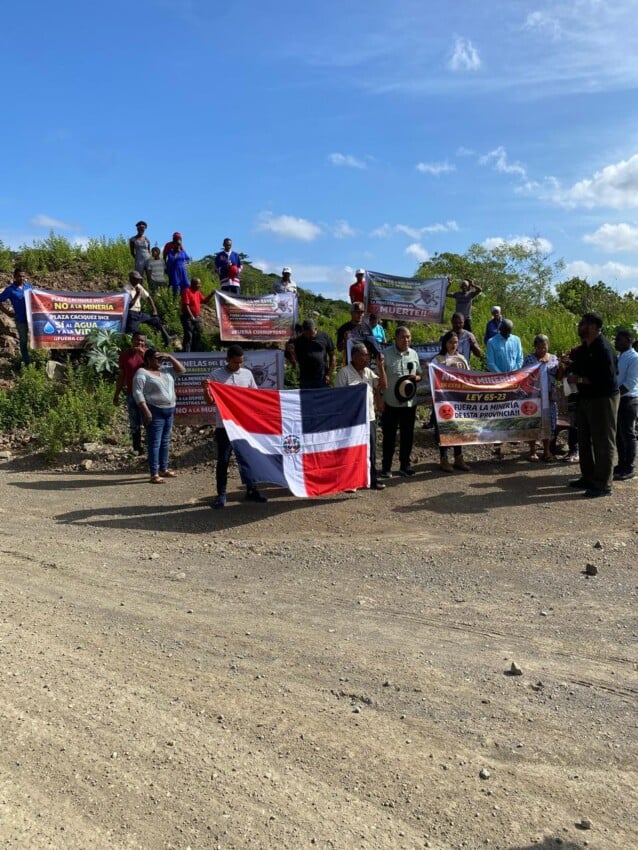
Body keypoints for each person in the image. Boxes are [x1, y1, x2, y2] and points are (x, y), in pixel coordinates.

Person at [203, 344, 267, 507]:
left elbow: (255, 395)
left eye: (241, 362)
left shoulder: (247, 374)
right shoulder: (216, 375)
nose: (239, 366)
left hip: (244, 426)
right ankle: (221, 494)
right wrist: (205, 389)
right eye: (236, 362)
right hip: (224, 426)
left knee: (249, 458)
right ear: (228, 360)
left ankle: (252, 490)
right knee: (223, 460)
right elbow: (210, 401)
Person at [563, 312, 619, 498]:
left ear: (593, 326)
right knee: (584, 439)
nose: (579, 326)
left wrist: (578, 378)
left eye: (583, 323)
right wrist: (568, 363)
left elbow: (606, 379)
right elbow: (576, 364)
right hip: (586, 399)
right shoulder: (586, 348)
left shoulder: (603, 349)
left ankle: (603, 484)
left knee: (603, 441)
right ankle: (588, 477)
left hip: (603, 399)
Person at [335, 341, 388, 491]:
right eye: (364, 355)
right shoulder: (344, 373)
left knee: (371, 450)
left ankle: (372, 479)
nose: (367, 358)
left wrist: (381, 366)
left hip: (369, 417)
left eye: (368, 355)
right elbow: (337, 397)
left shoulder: (368, 372)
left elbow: (383, 385)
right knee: (352, 451)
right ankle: (351, 482)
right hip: (352, 420)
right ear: (355, 356)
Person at [132, 348, 185, 484]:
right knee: (154, 443)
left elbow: (181, 370)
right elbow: (138, 393)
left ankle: (164, 469)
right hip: (154, 411)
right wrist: (146, 411)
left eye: (161, 359)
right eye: (157, 358)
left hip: (169, 410)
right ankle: (154, 473)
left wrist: (170, 357)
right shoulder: (142, 373)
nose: (160, 361)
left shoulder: (166, 370)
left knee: (165, 441)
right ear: (148, 359)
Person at [380, 326, 422, 478]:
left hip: (409, 403)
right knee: (389, 436)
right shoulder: (386, 355)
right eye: (403, 337)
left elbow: (419, 375)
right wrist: (380, 399)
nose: (406, 340)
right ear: (395, 339)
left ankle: (405, 465)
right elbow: (379, 380)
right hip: (391, 403)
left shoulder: (414, 354)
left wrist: (415, 378)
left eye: (409, 337)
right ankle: (386, 467)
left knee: (407, 436)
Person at [433, 331, 470, 472]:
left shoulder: (462, 359)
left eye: (455, 342)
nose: (453, 345)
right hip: (443, 400)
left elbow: (468, 377)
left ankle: (458, 457)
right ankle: (444, 459)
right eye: (450, 342)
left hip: (458, 399)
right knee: (443, 428)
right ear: (445, 343)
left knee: (458, 427)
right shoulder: (438, 359)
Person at [523, 334, 559, 462]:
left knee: (548, 423)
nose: (542, 350)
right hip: (534, 398)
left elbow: (558, 376)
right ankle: (532, 451)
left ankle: (547, 451)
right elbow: (524, 377)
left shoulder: (554, 359)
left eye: (545, 347)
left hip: (549, 398)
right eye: (539, 348)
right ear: (535, 347)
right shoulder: (529, 360)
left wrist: (563, 366)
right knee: (533, 422)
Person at [113, 332, 147, 455]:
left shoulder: (148, 355)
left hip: (147, 395)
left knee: (149, 421)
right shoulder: (124, 356)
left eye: (142, 341)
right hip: (131, 394)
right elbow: (121, 376)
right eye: (137, 340)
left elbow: (155, 371)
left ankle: (151, 449)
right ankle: (137, 448)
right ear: (132, 341)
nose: (139, 343)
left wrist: (143, 355)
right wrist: (116, 394)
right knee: (134, 423)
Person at [613, 329, 638, 481]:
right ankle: (621, 463)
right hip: (618, 399)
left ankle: (629, 467)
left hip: (628, 399)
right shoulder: (619, 357)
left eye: (619, 340)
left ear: (628, 340)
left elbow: (630, 382)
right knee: (619, 434)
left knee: (628, 434)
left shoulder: (634, 358)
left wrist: (614, 395)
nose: (616, 342)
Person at [124, 271, 172, 346]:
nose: (138, 281)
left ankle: (167, 338)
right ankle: (128, 349)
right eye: (136, 279)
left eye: (138, 279)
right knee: (130, 333)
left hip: (139, 313)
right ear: (131, 279)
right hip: (131, 314)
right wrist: (137, 294)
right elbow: (128, 306)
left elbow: (148, 297)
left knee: (156, 319)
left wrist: (154, 310)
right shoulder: (126, 289)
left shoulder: (138, 286)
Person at [0, 267, 33, 366]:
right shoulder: (10, 290)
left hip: (32, 319)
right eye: (19, 276)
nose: (21, 278)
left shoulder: (29, 287)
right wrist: (7, 312)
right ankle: (27, 364)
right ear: (14, 277)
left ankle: (36, 358)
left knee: (35, 340)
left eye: (23, 276)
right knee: (23, 341)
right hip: (21, 320)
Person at [292, 319, 336, 388]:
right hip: (305, 379)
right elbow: (295, 359)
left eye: (311, 333)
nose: (309, 335)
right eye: (306, 333)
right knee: (306, 398)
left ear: (315, 329)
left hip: (322, 377)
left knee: (322, 397)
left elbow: (332, 356)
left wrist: (329, 374)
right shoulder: (299, 341)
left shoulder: (324, 337)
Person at [181, 277, 213, 352]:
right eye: (198, 284)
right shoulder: (187, 291)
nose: (199, 285)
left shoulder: (197, 292)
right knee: (188, 335)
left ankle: (195, 352)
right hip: (187, 317)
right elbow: (186, 305)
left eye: (200, 284)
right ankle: (186, 354)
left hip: (196, 317)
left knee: (197, 335)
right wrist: (191, 316)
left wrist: (211, 294)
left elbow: (204, 301)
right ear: (193, 284)